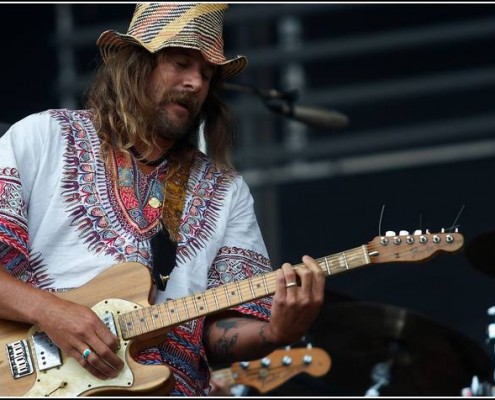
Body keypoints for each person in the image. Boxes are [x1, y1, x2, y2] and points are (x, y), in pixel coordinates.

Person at [0, 3, 325, 396]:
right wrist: (50, 312)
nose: (195, 83)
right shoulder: (43, 137)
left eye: (206, 74)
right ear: (135, 63)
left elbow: (217, 333)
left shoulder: (226, 189)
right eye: (181, 63)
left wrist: (276, 332)